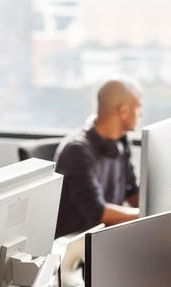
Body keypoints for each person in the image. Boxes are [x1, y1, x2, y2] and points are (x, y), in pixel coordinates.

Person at [53, 77, 142, 237]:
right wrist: (144, 215)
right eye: (138, 107)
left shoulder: (121, 141)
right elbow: (97, 212)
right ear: (123, 111)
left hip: (107, 236)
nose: (140, 114)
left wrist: (160, 209)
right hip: (79, 246)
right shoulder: (77, 150)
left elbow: (131, 191)